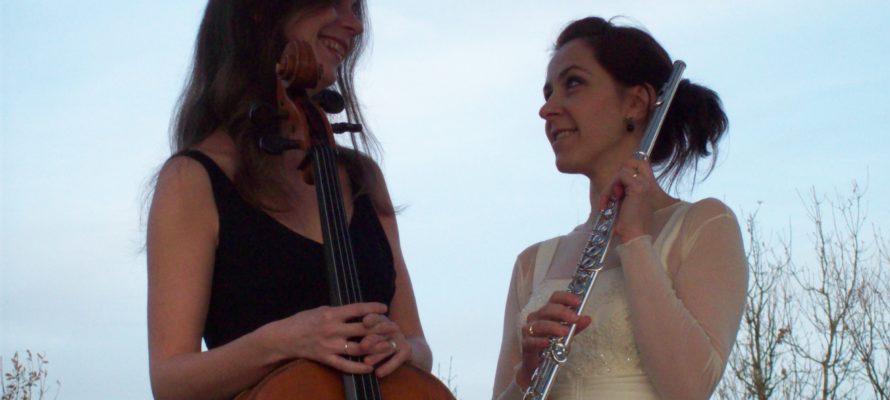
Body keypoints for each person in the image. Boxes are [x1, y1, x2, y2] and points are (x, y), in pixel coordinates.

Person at [146, 1, 432, 398]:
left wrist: (402, 347)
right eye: (334, 3)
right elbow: (170, 380)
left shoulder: (364, 180)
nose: (354, 26)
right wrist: (282, 342)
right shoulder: (192, 180)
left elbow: (419, 346)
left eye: (354, 9)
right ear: (263, 9)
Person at [493, 17, 747, 400]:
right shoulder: (532, 264)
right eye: (547, 92)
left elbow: (689, 389)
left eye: (572, 83)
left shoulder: (704, 225)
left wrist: (635, 240)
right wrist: (525, 377)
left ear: (636, 102)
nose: (547, 109)